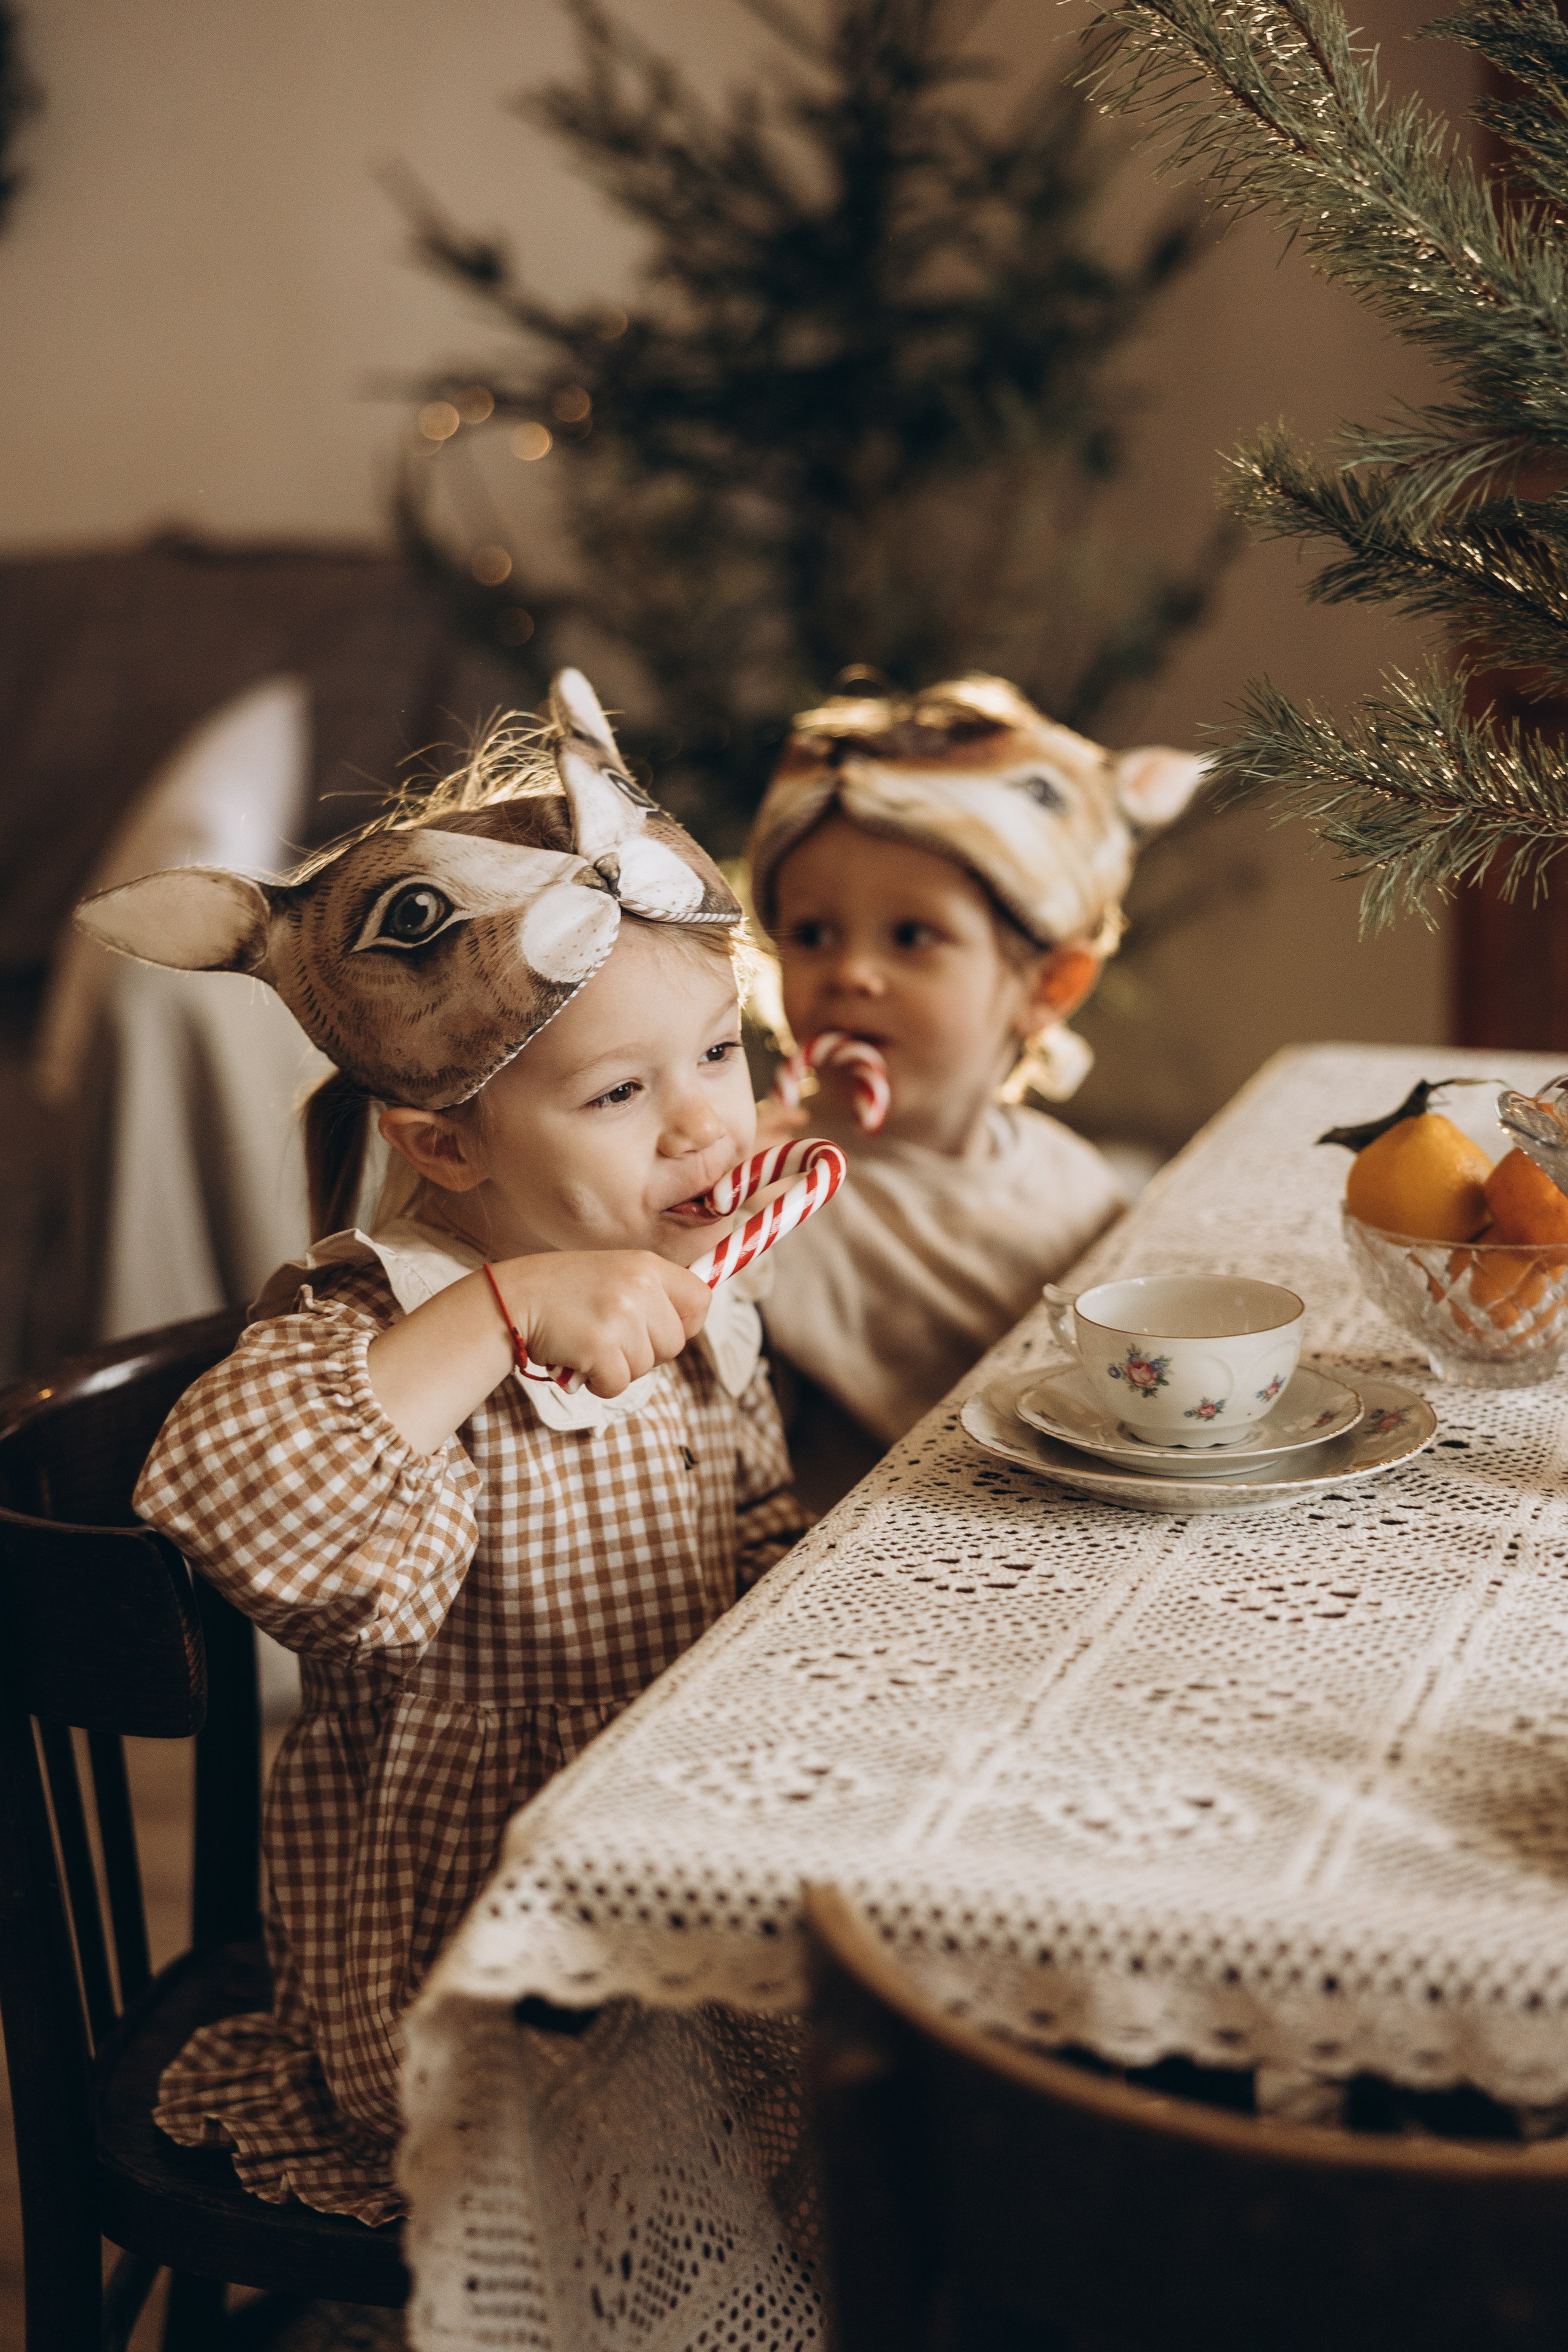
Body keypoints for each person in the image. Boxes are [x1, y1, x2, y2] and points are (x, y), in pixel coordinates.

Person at [74, 671, 811, 2225]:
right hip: (469, 1968)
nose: (698, 1126)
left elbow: (747, 1534)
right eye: (619, 1091)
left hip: (671, 1876)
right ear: (443, 1141)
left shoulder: (708, 1294)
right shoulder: (380, 1320)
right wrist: (500, 1312)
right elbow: (230, 1503)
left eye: (719, 1054)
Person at [747, 671, 1205, 1511]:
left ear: (1049, 986)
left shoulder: (1071, 1182)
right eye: (810, 934)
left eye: (912, 936)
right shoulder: (765, 1203)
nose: (849, 971)